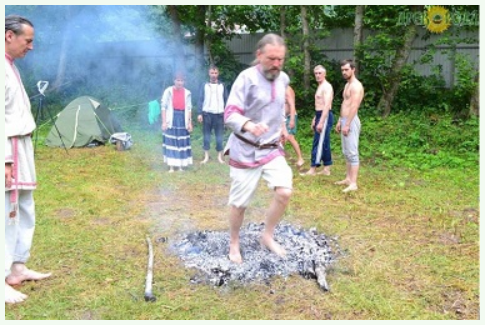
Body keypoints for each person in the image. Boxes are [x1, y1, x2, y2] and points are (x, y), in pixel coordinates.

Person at [223, 33, 292, 264]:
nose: (276, 64)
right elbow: (229, 114)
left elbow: (279, 105)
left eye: (280, 59)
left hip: (271, 148)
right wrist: (249, 125)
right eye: (272, 58)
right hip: (245, 148)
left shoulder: (283, 79)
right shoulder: (246, 79)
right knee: (239, 204)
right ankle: (234, 242)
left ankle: (267, 236)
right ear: (259, 55)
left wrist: (282, 125)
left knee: (284, 192)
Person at [5, 15, 51, 305]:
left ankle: (17, 267)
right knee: (5, 213)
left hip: (21, 143)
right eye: (28, 40)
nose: (31, 47)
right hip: (7, 148)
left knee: (24, 206)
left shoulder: (10, 66)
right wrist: (5, 159)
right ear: (9, 35)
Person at [335, 59, 364, 192]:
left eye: (346, 70)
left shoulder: (356, 86)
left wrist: (347, 124)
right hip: (344, 120)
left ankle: (354, 183)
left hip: (351, 121)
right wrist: (339, 121)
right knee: (346, 152)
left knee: (352, 152)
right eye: (342, 70)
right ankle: (348, 178)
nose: (344, 72)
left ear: (353, 69)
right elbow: (344, 104)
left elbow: (354, 106)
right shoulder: (347, 85)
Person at [301, 65, 334, 176]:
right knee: (324, 142)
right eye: (316, 73)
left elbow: (327, 105)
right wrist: (315, 118)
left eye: (320, 73)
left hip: (325, 116)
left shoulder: (327, 87)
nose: (318, 75)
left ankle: (313, 169)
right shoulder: (319, 86)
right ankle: (327, 169)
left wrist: (321, 121)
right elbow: (319, 105)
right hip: (319, 114)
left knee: (317, 142)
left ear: (325, 74)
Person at [161, 72, 193, 172]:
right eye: (178, 80)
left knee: (181, 142)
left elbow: (189, 108)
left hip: (182, 117)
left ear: (184, 82)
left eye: (181, 80)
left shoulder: (187, 93)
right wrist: (164, 122)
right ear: (174, 80)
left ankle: (180, 166)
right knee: (171, 141)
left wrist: (189, 122)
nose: (179, 82)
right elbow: (163, 107)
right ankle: (171, 166)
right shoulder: (168, 91)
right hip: (172, 117)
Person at [197, 65, 228, 164]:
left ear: (218, 74)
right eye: (212, 73)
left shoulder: (222, 85)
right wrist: (199, 113)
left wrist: (227, 114)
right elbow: (200, 100)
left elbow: (226, 100)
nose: (214, 75)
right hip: (207, 114)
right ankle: (206, 156)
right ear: (209, 73)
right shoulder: (204, 85)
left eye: (215, 73)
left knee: (219, 136)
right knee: (206, 136)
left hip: (219, 115)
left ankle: (219, 157)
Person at [284, 85, 304, 167]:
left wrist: (292, 119)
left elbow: (292, 105)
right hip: (282, 117)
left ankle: (300, 158)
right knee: (281, 139)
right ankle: (279, 159)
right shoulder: (278, 88)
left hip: (290, 116)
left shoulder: (288, 89)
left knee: (290, 138)